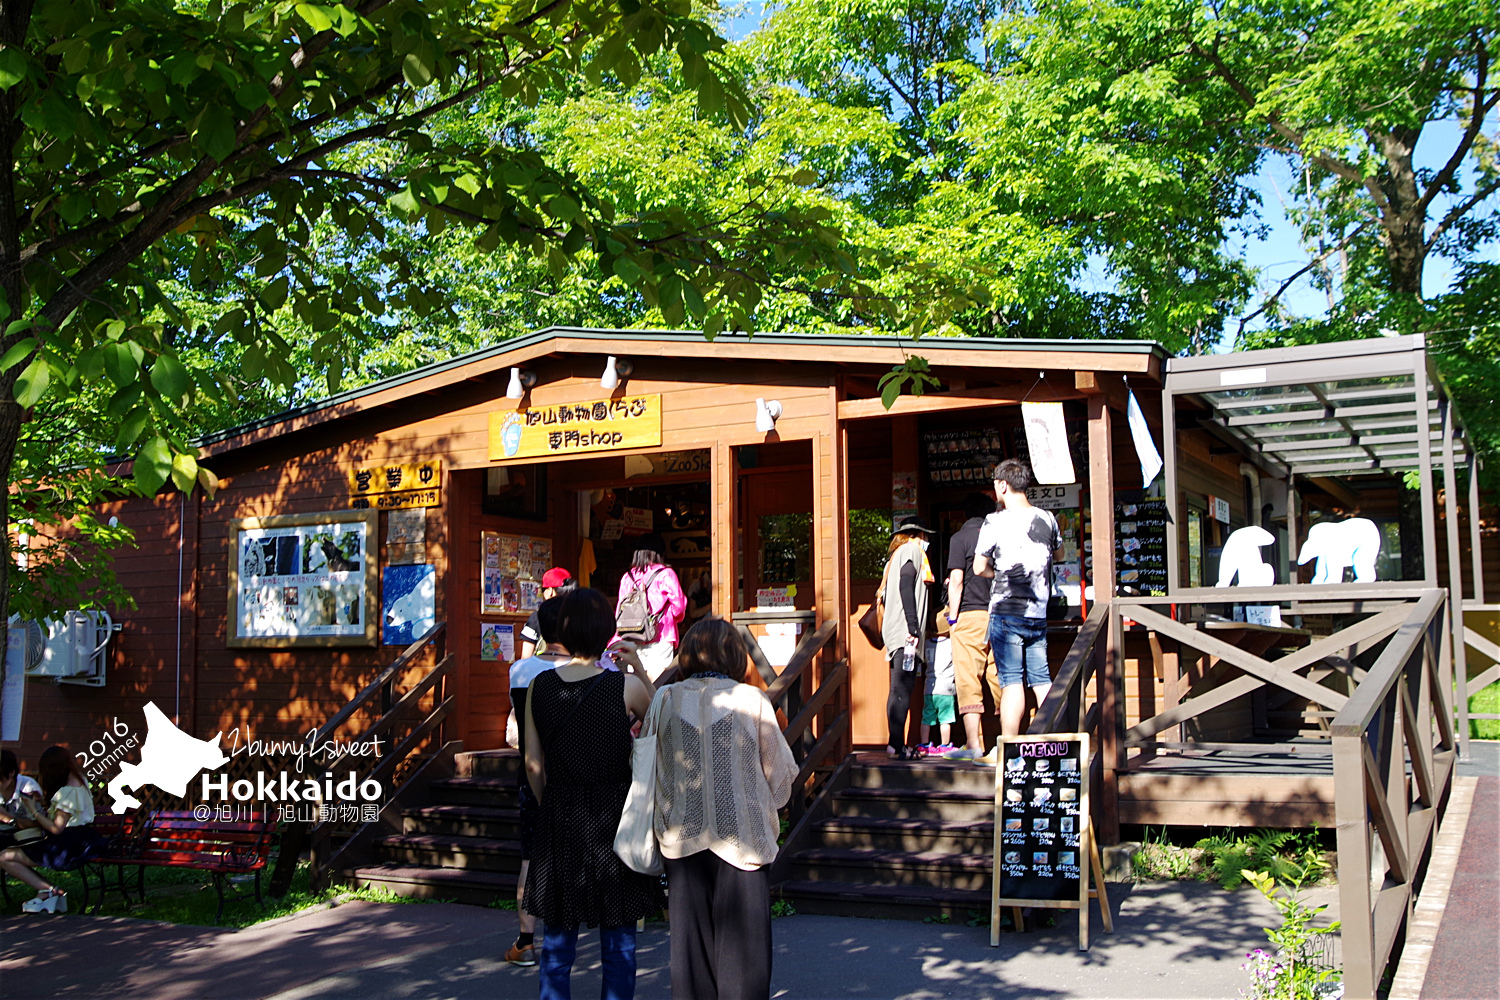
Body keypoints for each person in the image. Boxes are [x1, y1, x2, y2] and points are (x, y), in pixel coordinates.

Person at [523, 588, 663, 1000]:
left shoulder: (540, 686)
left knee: (558, 938)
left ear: (563, 631)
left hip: (560, 811)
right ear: (606, 632)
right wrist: (638, 666)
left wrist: (549, 797)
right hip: (614, 814)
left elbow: (533, 763)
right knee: (618, 939)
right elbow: (662, 727)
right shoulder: (625, 688)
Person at [652, 618, 797, 1000]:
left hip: (681, 842)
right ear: (735, 654)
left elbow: (654, 765)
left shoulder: (664, 699)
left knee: (691, 963)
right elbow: (782, 782)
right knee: (745, 969)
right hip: (743, 842)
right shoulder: (751, 700)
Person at [504, 595, 571, 968]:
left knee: (531, 857)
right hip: (576, 770)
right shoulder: (597, 670)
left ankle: (526, 940)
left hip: (532, 770)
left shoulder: (519, 671)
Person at [973, 459, 1062, 738]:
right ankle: (1053, 741)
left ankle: (1010, 749)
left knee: (1011, 683)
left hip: (1006, 611)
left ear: (1002, 485)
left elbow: (978, 567)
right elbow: (1059, 556)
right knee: (1041, 679)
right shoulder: (1047, 518)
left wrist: (996, 572)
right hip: (1037, 613)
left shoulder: (995, 521)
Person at [0, 746, 106, 913]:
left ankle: (49, 891)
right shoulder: (80, 781)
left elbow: (56, 828)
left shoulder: (68, 791)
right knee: (7, 854)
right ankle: (48, 892)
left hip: (67, 846)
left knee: (5, 857)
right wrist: (42, 805)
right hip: (79, 839)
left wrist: (33, 809)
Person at [946, 493, 1004, 758]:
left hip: (970, 615)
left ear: (966, 514)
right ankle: (1007, 745)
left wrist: (952, 618)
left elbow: (956, 581)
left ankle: (973, 745)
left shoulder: (960, 539)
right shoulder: (1000, 535)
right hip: (1002, 614)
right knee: (1002, 678)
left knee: (968, 679)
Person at [880, 516, 936, 760]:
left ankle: (894, 744)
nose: (927, 541)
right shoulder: (912, 550)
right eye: (925, 536)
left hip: (894, 631)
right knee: (903, 688)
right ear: (918, 534)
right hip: (906, 634)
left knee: (896, 689)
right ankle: (897, 745)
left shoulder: (893, 558)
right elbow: (906, 585)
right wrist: (913, 627)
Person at [613, 535, 687, 681]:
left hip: (632, 635)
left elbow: (619, 611)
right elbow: (679, 606)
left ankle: (639, 705)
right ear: (660, 553)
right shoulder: (666, 574)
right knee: (658, 683)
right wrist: (671, 617)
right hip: (661, 633)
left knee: (636, 680)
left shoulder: (627, 577)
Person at [519, 568, 578, 659]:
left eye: (543, 589)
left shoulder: (537, 617)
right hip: (575, 670)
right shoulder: (580, 617)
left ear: (550, 591)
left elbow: (525, 658)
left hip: (542, 668)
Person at [920, 630, 957, 754]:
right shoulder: (951, 643)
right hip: (946, 687)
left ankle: (924, 745)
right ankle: (944, 745)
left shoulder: (926, 644)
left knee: (926, 718)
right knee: (945, 719)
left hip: (929, 688)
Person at [0, 750, 43, 849]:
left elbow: (40, 825)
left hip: (26, 838)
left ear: (11, 773)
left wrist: (8, 818)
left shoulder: (28, 789)